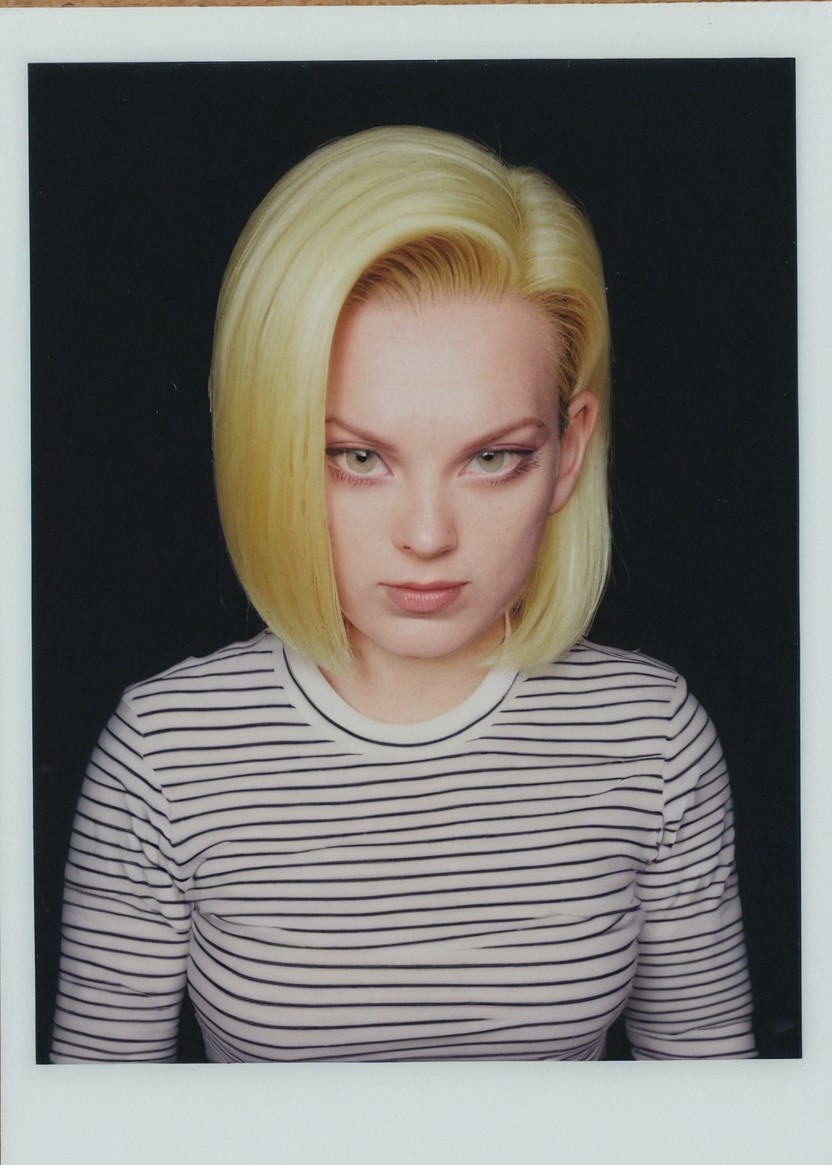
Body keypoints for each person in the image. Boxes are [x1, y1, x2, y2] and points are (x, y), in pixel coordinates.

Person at [50, 126, 756, 1063]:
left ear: (569, 450)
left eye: (493, 457)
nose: (427, 536)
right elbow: (98, 1134)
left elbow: (713, 1112)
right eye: (357, 457)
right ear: (270, 446)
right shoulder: (165, 753)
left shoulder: (651, 738)